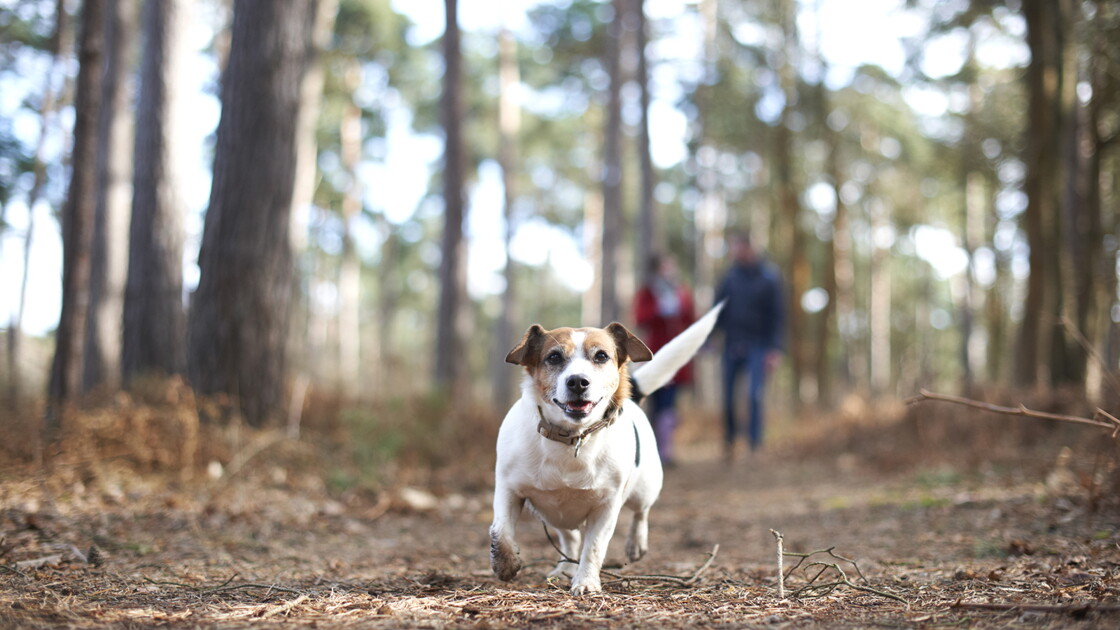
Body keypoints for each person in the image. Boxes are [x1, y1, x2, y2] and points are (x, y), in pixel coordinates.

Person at [714, 231, 784, 458]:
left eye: (739, 248)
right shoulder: (730, 278)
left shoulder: (769, 277)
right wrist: (709, 338)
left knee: (754, 395)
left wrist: (775, 349)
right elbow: (718, 311)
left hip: (759, 345)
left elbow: (778, 316)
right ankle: (730, 440)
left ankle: (755, 443)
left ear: (749, 249)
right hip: (732, 344)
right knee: (728, 397)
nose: (735, 253)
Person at [634, 254, 696, 467]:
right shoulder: (647, 292)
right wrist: (659, 310)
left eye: (671, 266)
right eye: (665, 266)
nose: (670, 270)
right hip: (654, 355)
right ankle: (649, 449)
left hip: (675, 356)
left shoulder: (681, 291)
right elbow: (640, 318)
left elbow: (690, 318)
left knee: (669, 403)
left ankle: (665, 451)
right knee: (654, 403)